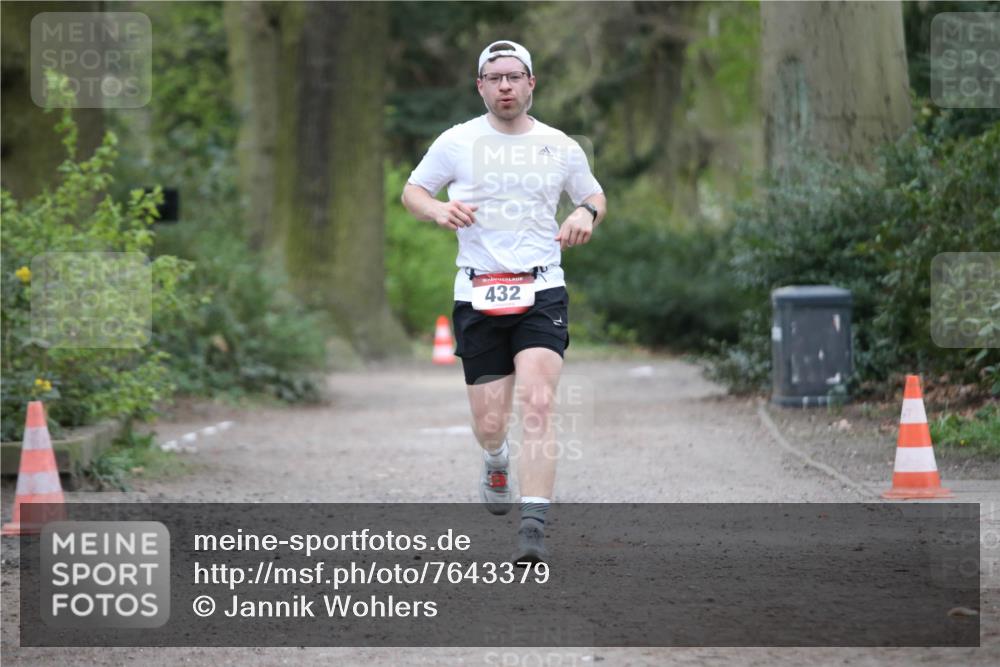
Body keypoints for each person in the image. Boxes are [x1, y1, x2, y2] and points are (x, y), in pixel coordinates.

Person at [401, 40, 606, 563]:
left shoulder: (560, 145)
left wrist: (585, 214)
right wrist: (438, 211)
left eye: (515, 76)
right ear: (481, 86)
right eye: (495, 78)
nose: (506, 86)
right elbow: (413, 191)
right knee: (490, 421)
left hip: (541, 286)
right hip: (478, 289)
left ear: (532, 82)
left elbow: (593, 194)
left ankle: (533, 524)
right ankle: (496, 457)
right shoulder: (457, 141)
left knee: (538, 402)